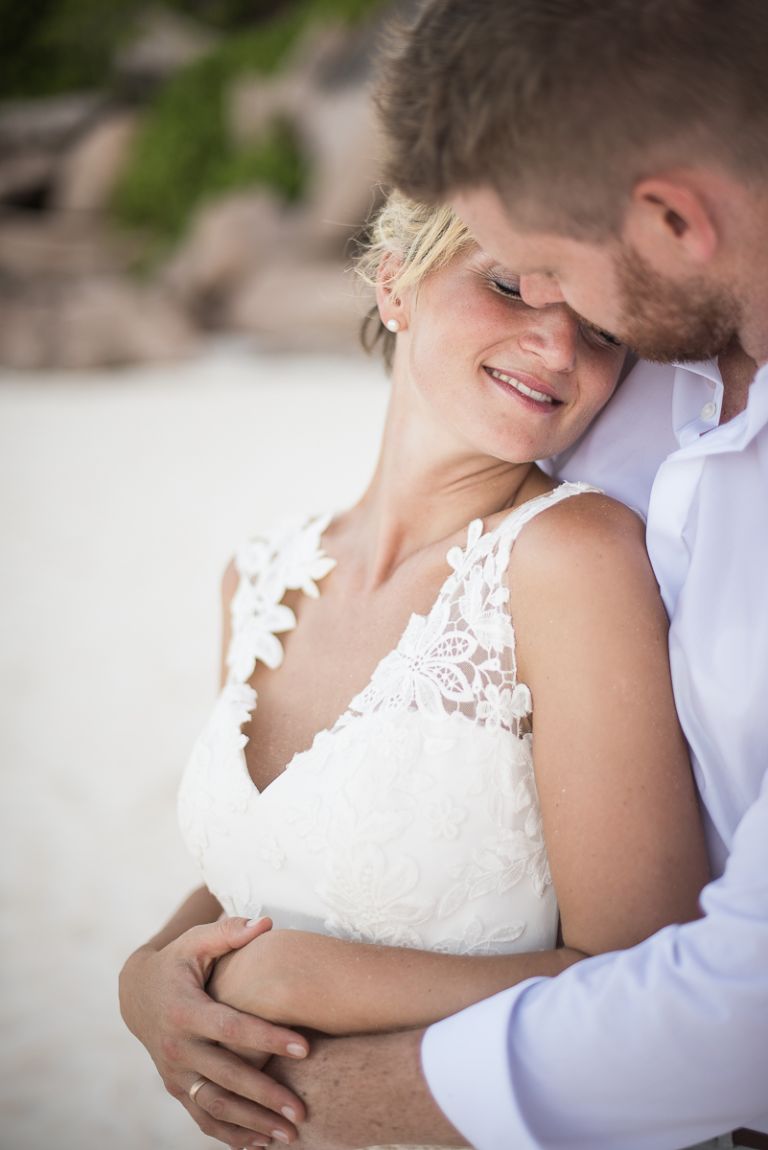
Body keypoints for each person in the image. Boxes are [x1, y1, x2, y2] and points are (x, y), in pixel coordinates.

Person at [119, 191, 713, 1150]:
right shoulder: (260, 574)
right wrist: (147, 977)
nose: (559, 348)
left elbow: (648, 985)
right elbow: (274, 860)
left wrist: (307, 980)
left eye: (603, 328)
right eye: (511, 285)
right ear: (395, 282)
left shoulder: (568, 562)